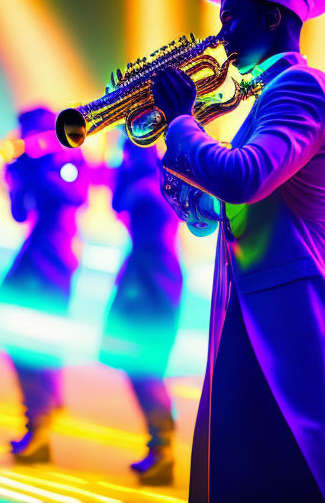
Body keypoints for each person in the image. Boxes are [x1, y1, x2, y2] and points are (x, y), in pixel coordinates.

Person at [151, 0, 325, 503]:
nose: (221, 38)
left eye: (231, 19)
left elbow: (244, 178)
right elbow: (227, 210)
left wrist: (183, 122)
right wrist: (175, 162)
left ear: (272, 16)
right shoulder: (269, 97)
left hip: (295, 315)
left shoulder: (303, 89)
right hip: (260, 309)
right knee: (253, 470)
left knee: (283, 474)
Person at [0, 106, 88, 463]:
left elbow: (77, 196)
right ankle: (43, 407)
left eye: (35, 134)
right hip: (35, 251)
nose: (29, 141)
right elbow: (19, 214)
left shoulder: (69, 159)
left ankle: (40, 419)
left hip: (56, 256)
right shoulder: (28, 166)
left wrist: (44, 168)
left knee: (37, 339)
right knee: (19, 336)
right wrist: (16, 181)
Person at [100, 138, 182, 485]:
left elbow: (124, 201)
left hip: (153, 276)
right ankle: (159, 444)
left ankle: (163, 447)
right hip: (145, 273)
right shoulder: (154, 179)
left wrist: (126, 167)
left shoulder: (153, 184)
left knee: (145, 364)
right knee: (139, 364)